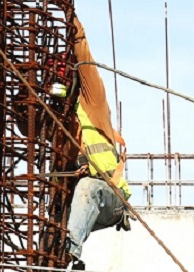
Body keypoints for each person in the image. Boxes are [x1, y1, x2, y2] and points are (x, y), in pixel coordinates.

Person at [64, 103, 131, 270]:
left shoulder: (91, 106)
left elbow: (90, 84)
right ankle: (62, 260)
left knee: (88, 186)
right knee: (55, 222)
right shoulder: (62, 142)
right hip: (85, 210)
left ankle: (71, 249)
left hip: (112, 199)